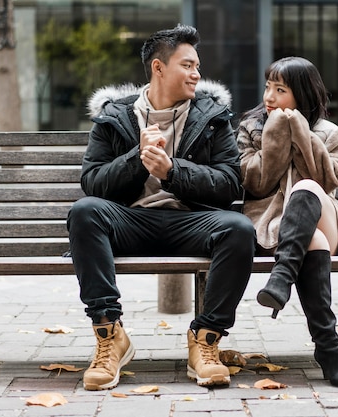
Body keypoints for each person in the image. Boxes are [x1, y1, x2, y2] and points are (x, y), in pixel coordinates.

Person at [66, 24, 256, 391]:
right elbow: (92, 183)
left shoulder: (213, 117)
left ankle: (206, 339)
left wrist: (173, 171)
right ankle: (110, 335)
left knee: (238, 228)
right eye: (187, 65)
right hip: (131, 222)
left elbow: (230, 184)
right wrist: (136, 160)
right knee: (85, 211)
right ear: (158, 68)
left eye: (197, 66)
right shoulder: (114, 116)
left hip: (192, 222)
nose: (197, 74)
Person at [236, 56, 338, 388]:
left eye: (280, 89)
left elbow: (330, 179)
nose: (269, 97)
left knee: (308, 187)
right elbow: (256, 183)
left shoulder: (330, 134)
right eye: (268, 87)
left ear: (302, 95)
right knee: (313, 242)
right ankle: (330, 351)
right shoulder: (251, 128)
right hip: (272, 226)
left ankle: (282, 278)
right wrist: (277, 134)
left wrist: (303, 134)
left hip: (324, 217)